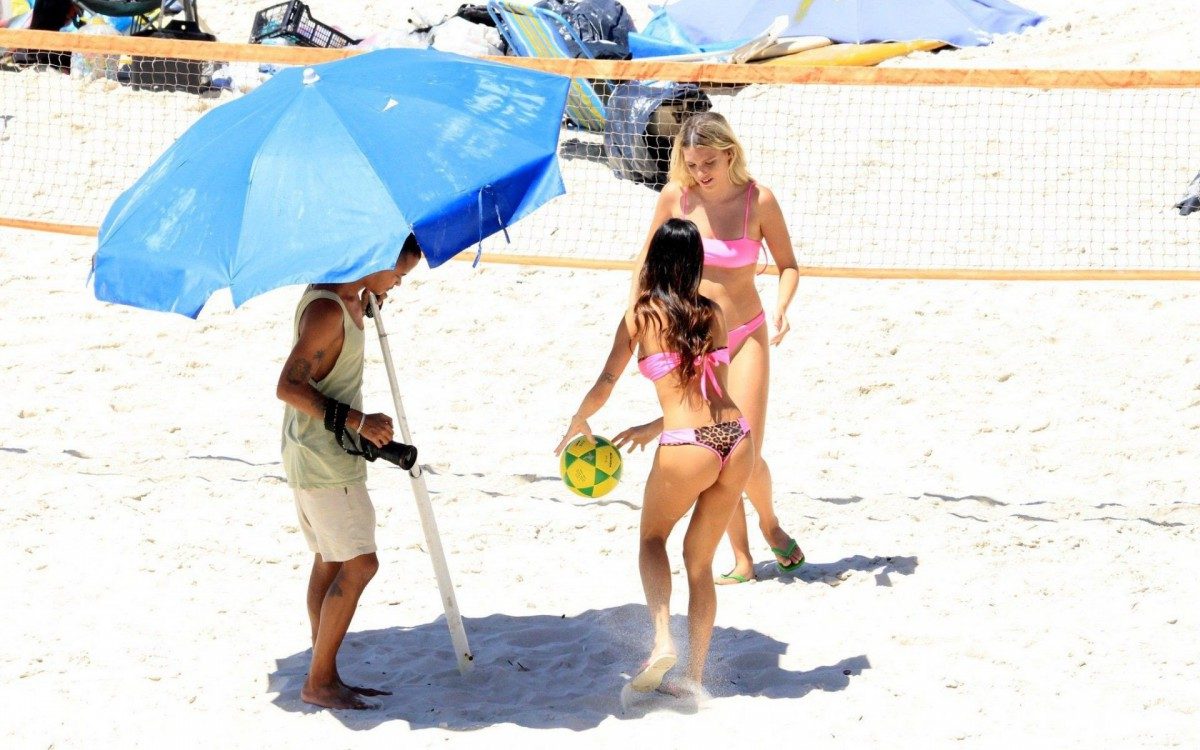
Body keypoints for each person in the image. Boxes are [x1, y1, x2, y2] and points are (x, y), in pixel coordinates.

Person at [557, 218, 755, 695]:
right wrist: (652, 426)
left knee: (651, 539)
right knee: (700, 563)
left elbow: (607, 382)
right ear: (694, 264)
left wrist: (576, 423)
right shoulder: (713, 310)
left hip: (689, 447)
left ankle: (664, 639)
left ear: (655, 261)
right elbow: (711, 390)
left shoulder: (641, 315)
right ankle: (693, 677)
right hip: (737, 439)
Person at [618, 111, 804, 584]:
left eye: (708, 163)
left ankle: (770, 524)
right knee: (715, 444)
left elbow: (788, 265)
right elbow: (646, 264)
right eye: (691, 163)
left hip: (745, 333)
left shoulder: (758, 200)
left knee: (746, 445)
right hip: (694, 336)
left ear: (729, 154)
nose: (700, 173)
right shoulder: (675, 198)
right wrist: (636, 317)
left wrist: (782, 308)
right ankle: (742, 559)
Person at [276, 237, 422, 710]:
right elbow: (288, 386)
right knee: (362, 563)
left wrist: (370, 301)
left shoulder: (348, 300)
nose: (398, 284)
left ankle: (324, 669)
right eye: (398, 275)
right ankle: (318, 681)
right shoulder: (328, 312)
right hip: (324, 457)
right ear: (376, 259)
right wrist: (358, 421)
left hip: (315, 453)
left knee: (331, 560)